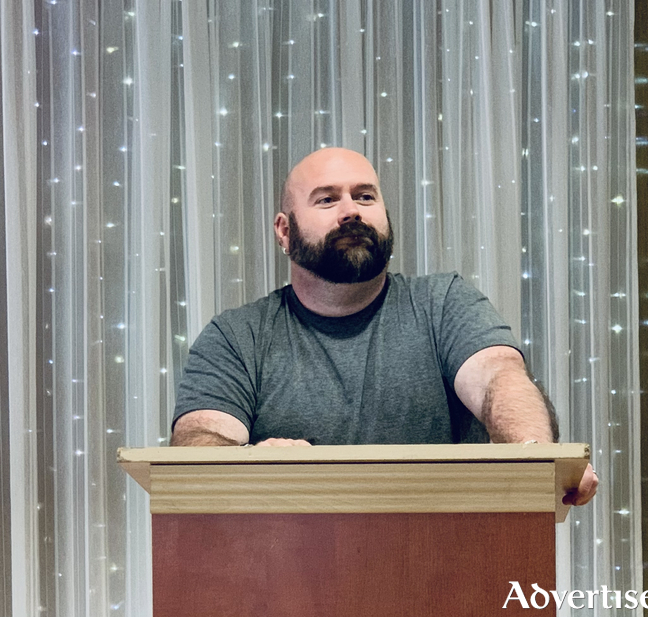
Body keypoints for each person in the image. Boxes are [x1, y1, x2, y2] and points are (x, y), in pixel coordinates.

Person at [171, 147, 598, 506]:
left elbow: (498, 381)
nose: (351, 211)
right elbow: (198, 438)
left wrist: (535, 454)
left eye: (365, 197)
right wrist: (252, 461)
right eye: (326, 200)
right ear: (284, 231)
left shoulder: (443, 302)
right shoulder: (237, 336)